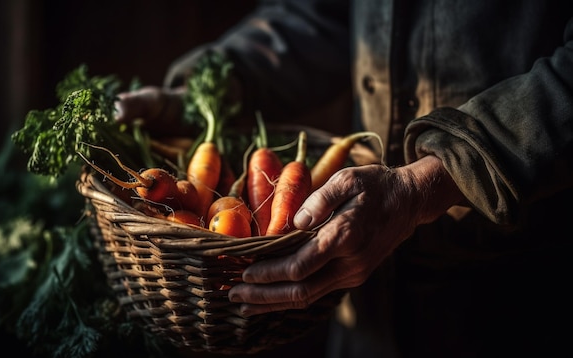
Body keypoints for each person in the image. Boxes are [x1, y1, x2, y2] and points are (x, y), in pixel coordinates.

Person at [115, 1, 573, 357]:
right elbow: (317, 16)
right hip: (359, 293)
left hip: (519, 294)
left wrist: (423, 185)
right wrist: (194, 96)